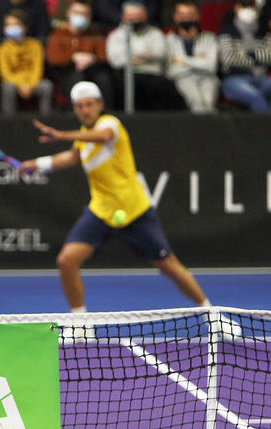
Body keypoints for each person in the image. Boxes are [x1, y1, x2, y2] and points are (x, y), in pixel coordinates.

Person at [17, 81, 212, 313]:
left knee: (168, 266)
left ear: (100, 104)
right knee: (66, 261)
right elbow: (71, 159)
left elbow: (103, 136)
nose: (84, 110)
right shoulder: (82, 137)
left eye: (89, 104)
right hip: (100, 210)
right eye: (79, 106)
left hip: (134, 209)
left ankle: (210, 312)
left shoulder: (110, 124)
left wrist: (60, 134)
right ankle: (80, 322)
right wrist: (36, 164)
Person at [216, 0, 271, 112]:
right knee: (255, 96)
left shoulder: (263, 31)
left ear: (257, 9)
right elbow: (228, 59)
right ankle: (267, 127)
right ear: (237, 8)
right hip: (234, 79)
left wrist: (248, 55)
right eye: (244, 6)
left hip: (261, 78)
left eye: (252, 6)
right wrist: (259, 59)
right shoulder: (226, 31)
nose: (248, 10)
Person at [106, 1, 183, 109]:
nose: (135, 20)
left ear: (145, 16)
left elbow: (161, 53)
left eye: (138, 16)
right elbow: (116, 61)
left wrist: (132, 57)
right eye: (131, 17)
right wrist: (148, 55)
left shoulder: (156, 33)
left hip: (154, 74)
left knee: (168, 87)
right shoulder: (116, 36)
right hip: (129, 75)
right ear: (123, 17)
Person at [46, 1, 116, 107]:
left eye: (85, 14)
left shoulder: (94, 34)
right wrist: (73, 57)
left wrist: (92, 58)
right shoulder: (58, 34)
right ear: (69, 13)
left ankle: (106, 113)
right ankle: (75, 114)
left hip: (93, 69)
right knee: (75, 78)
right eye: (77, 13)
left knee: (104, 79)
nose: (81, 16)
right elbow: (53, 58)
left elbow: (105, 56)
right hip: (67, 71)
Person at [165, 0, 219, 113]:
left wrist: (182, 60)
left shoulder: (209, 38)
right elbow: (171, 70)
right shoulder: (168, 40)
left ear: (197, 16)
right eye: (182, 15)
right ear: (175, 17)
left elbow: (211, 67)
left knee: (208, 104)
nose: (186, 19)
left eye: (190, 15)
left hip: (208, 78)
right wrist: (200, 61)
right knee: (197, 102)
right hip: (182, 78)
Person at [0, 9, 54, 114]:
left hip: (33, 82)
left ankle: (46, 120)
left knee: (46, 86)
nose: (11, 28)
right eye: (8, 25)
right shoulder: (2, 48)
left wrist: (29, 85)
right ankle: (8, 120)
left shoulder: (35, 45)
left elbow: (38, 69)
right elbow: (5, 73)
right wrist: (21, 84)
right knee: (7, 87)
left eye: (15, 24)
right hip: (14, 82)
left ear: (24, 27)